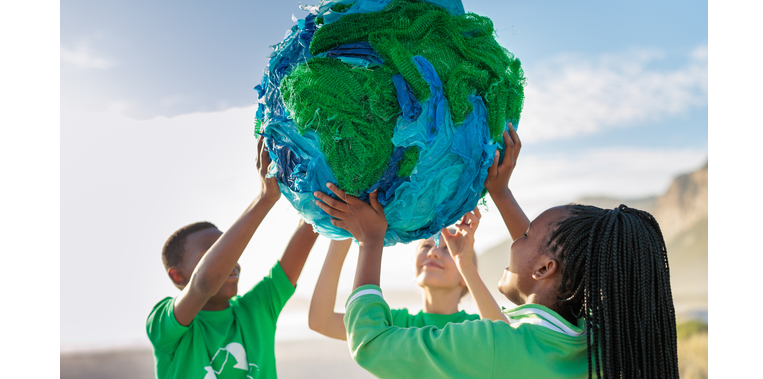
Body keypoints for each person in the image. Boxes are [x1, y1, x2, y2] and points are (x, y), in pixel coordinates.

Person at [314, 123, 679, 379]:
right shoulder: (593, 342)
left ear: (544, 269)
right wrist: (500, 192)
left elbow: (370, 342)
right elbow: (559, 259)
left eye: (525, 235)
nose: (515, 237)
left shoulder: (490, 345)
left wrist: (371, 240)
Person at [146, 136, 319, 379]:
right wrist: (265, 199)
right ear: (178, 275)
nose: (232, 261)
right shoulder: (164, 325)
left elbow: (310, 226)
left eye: (230, 250)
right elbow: (204, 283)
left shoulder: (256, 310)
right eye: (214, 253)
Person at [308, 209, 508, 340]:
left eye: (448, 250)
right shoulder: (398, 324)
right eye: (426, 246)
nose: (433, 252)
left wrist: (465, 265)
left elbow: (506, 341)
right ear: (413, 268)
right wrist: (343, 233)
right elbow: (321, 321)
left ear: (466, 277)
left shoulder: (476, 326)